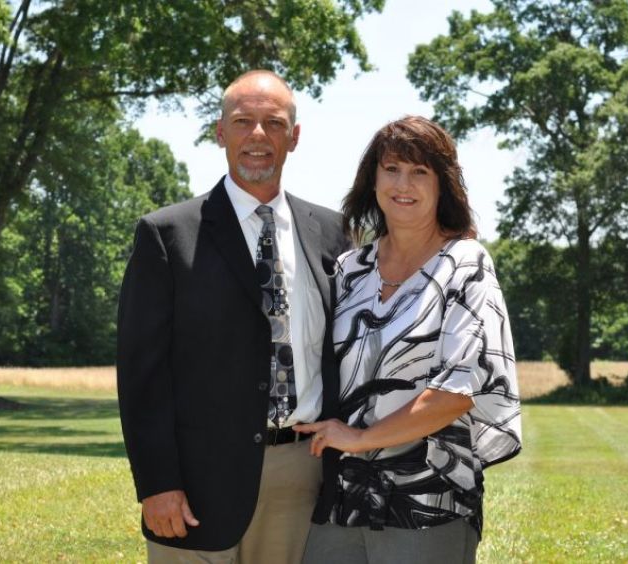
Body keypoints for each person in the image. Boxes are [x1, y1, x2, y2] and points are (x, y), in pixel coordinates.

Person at [116, 70, 350, 563]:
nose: (258, 136)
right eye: (243, 121)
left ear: (295, 136)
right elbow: (142, 376)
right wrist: (157, 484)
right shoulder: (168, 234)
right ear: (220, 132)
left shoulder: (332, 234)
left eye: (274, 122)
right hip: (195, 485)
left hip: (301, 475)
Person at [293, 116, 522, 564]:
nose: (404, 184)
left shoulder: (465, 265)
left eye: (421, 172)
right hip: (341, 497)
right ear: (373, 178)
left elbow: (454, 395)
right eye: (393, 168)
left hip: (427, 500)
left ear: (443, 185)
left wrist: (361, 438)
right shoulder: (349, 269)